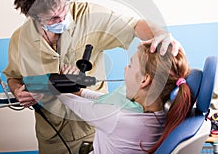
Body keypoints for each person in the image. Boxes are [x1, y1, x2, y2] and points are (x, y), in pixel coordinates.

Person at [2, 0, 183, 154]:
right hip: (52, 137)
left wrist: (161, 35)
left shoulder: (90, 16)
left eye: (64, 7)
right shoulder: (20, 40)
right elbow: (13, 77)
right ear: (35, 17)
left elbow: (134, 26)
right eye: (53, 18)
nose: (63, 18)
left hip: (93, 131)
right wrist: (18, 91)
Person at [56, 43, 192, 153]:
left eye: (131, 65)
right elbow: (104, 99)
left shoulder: (117, 118)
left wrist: (51, 85)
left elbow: (73, 102)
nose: (125, 68)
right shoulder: (158, 111)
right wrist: (80, 91)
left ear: (144, 80)